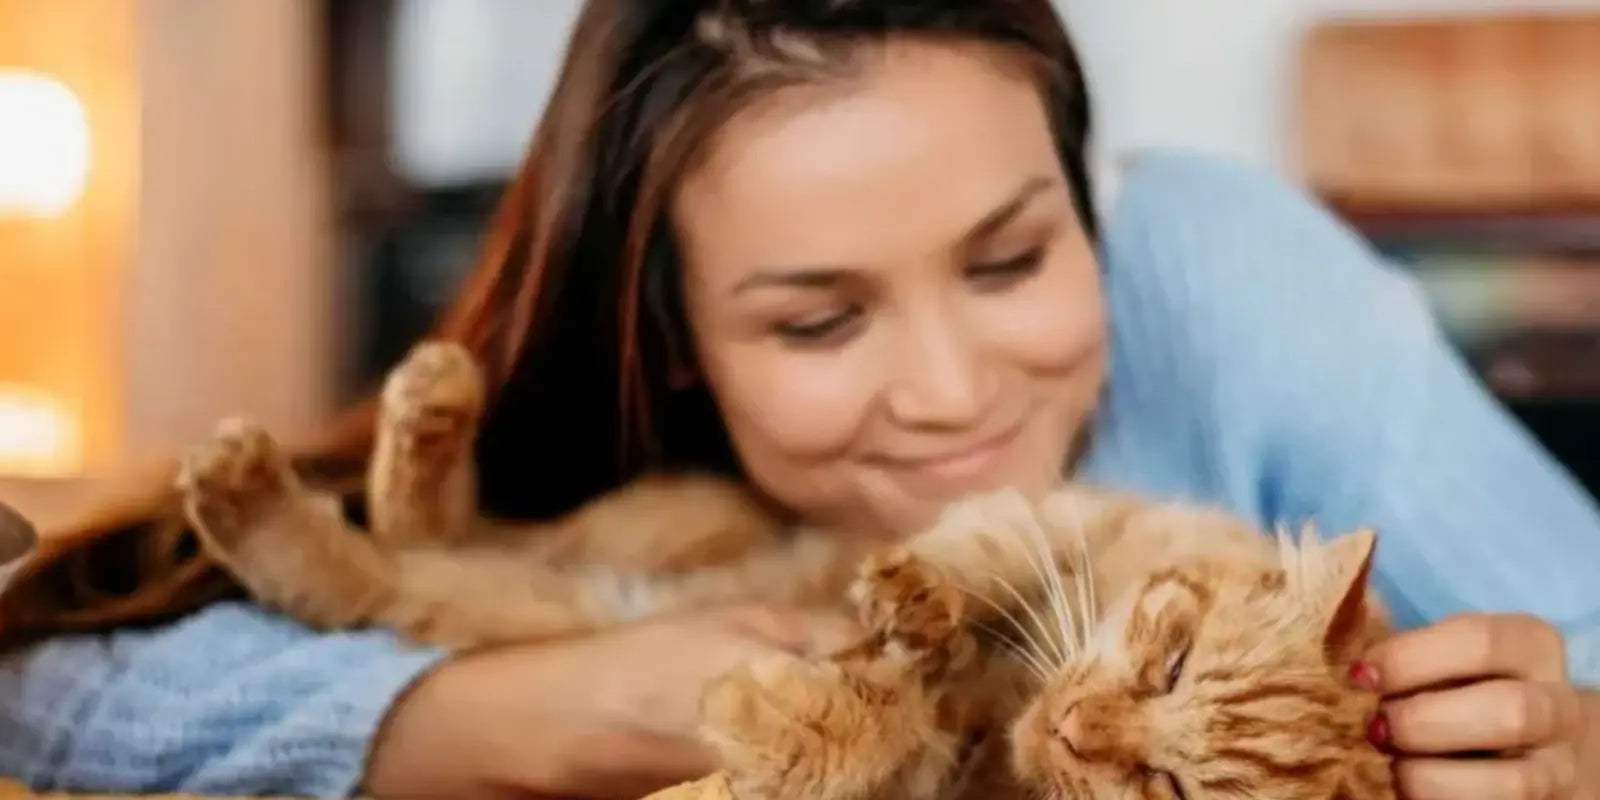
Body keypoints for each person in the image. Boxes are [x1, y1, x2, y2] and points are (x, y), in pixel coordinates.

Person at [0, 1, 1597, 798]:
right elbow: (47, 687)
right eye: (820, 320)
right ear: (672, 338)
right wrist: (543, 715)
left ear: (1083, 196)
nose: (955, 394)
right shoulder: (603, 443)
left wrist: (1570, 740)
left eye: (1011, 259)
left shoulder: (1213, 268)